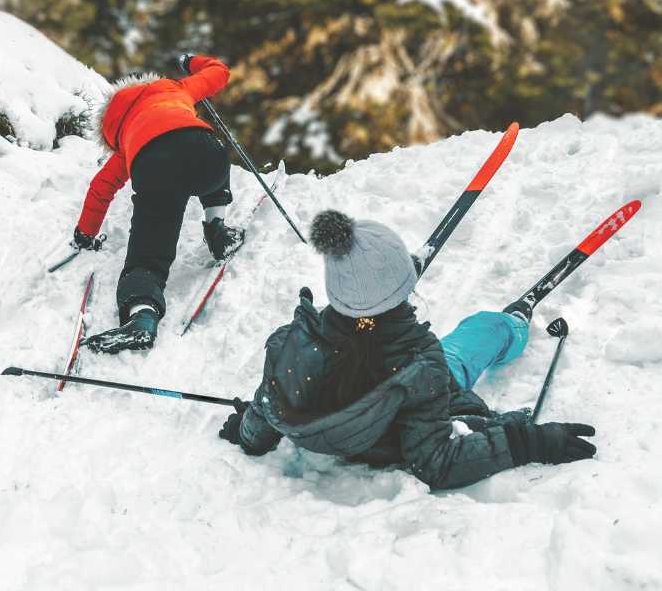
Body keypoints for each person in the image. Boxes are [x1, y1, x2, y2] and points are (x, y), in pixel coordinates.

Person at [217, 209, 597, 490]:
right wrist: (525, 442)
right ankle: (515, 322)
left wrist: (247, 430)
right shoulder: (422, 364)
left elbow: (268, 409)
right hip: (399, 414)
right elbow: (437, 463)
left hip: (367, 408)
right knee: (480, 332)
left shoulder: (295, 341)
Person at [72, 54, 245, 354]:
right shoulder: (175, 89)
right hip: (207, 155)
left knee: (148, 254)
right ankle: (217, 228)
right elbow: (219, 71)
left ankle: (142, 316)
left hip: (155, 167)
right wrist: (190, 61)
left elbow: (100, 188)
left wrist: (85, 234)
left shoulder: (126, 137)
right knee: (209, 156)